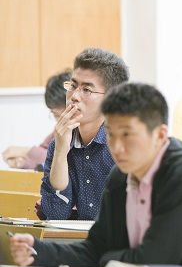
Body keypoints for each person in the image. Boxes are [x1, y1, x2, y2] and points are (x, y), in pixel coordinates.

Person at [9, 83, 182, 267]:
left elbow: (156, 257)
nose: (117, 147)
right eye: (111, 134)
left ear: (159, 135)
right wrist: (40, 251)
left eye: (127, 135)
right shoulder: (120, 177)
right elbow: (95, 248)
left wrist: (106, 258)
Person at [39, 48, 129, 220]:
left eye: (86, 90)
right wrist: (60, 152)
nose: (74, 96)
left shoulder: (123, 144)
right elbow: (55, 213)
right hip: (85, 243)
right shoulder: (60, 142)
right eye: (72, 86)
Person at [2, 70, 71, 170]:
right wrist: (23, 162)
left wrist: (26, 151)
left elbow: (66, 160)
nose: (61, 120)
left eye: (66, 113)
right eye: (56, 115)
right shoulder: (57, 131)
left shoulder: (85, 130)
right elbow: (43, 154)